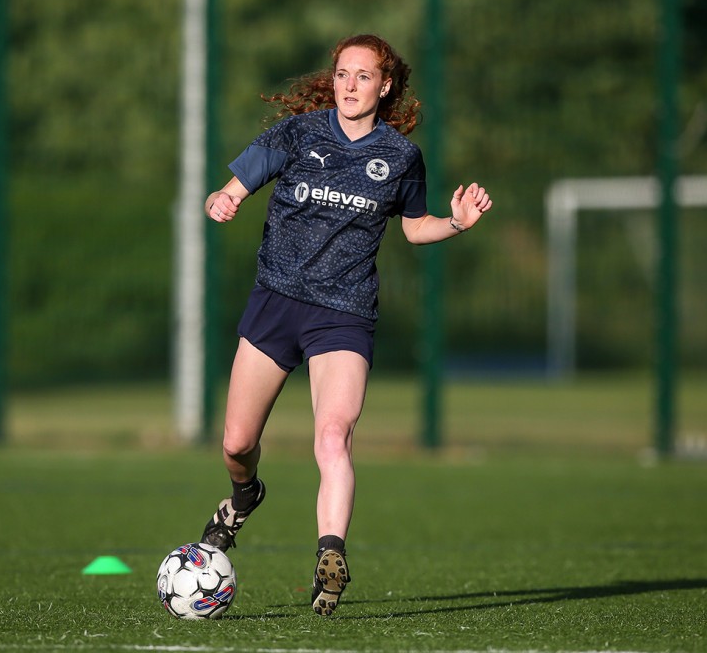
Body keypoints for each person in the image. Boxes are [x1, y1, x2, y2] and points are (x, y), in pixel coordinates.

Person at [199, 33, 492, 616]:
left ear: (385, 87)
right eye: (342, 74)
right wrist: (225, 197)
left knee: (333, 436)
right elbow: (241, 179)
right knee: (236, 443)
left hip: (344, 314)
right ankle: (243, 496)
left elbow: (413, 228)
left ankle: (330, 556)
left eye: (363, 76)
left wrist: (455, 223)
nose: (350, 86)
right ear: (331, 80)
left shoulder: (401, 157)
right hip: (275, 303)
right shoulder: (300, 134)